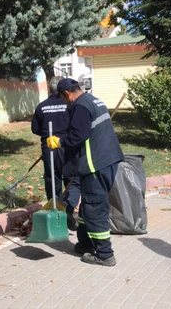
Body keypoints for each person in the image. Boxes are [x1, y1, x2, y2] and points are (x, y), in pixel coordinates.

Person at [47, 78, 124, 266]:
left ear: (66, 94)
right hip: (108, 159)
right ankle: (85, 244)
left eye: (63, 99)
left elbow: (78, 136)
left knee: (94, 207)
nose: (65, 103)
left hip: (95, 164)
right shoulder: (93, 100)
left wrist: (59, 141)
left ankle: (105, 254)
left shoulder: (80, 106)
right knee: (88, 205)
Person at [31, 76, 81, 230]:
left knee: (53, 179)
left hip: (49, 147)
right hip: (67, 145)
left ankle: (56, 212)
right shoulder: (70, 104)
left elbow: (36, 129)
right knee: (73, 179)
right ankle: (67, 208)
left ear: (49, 89)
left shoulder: (42, 106)